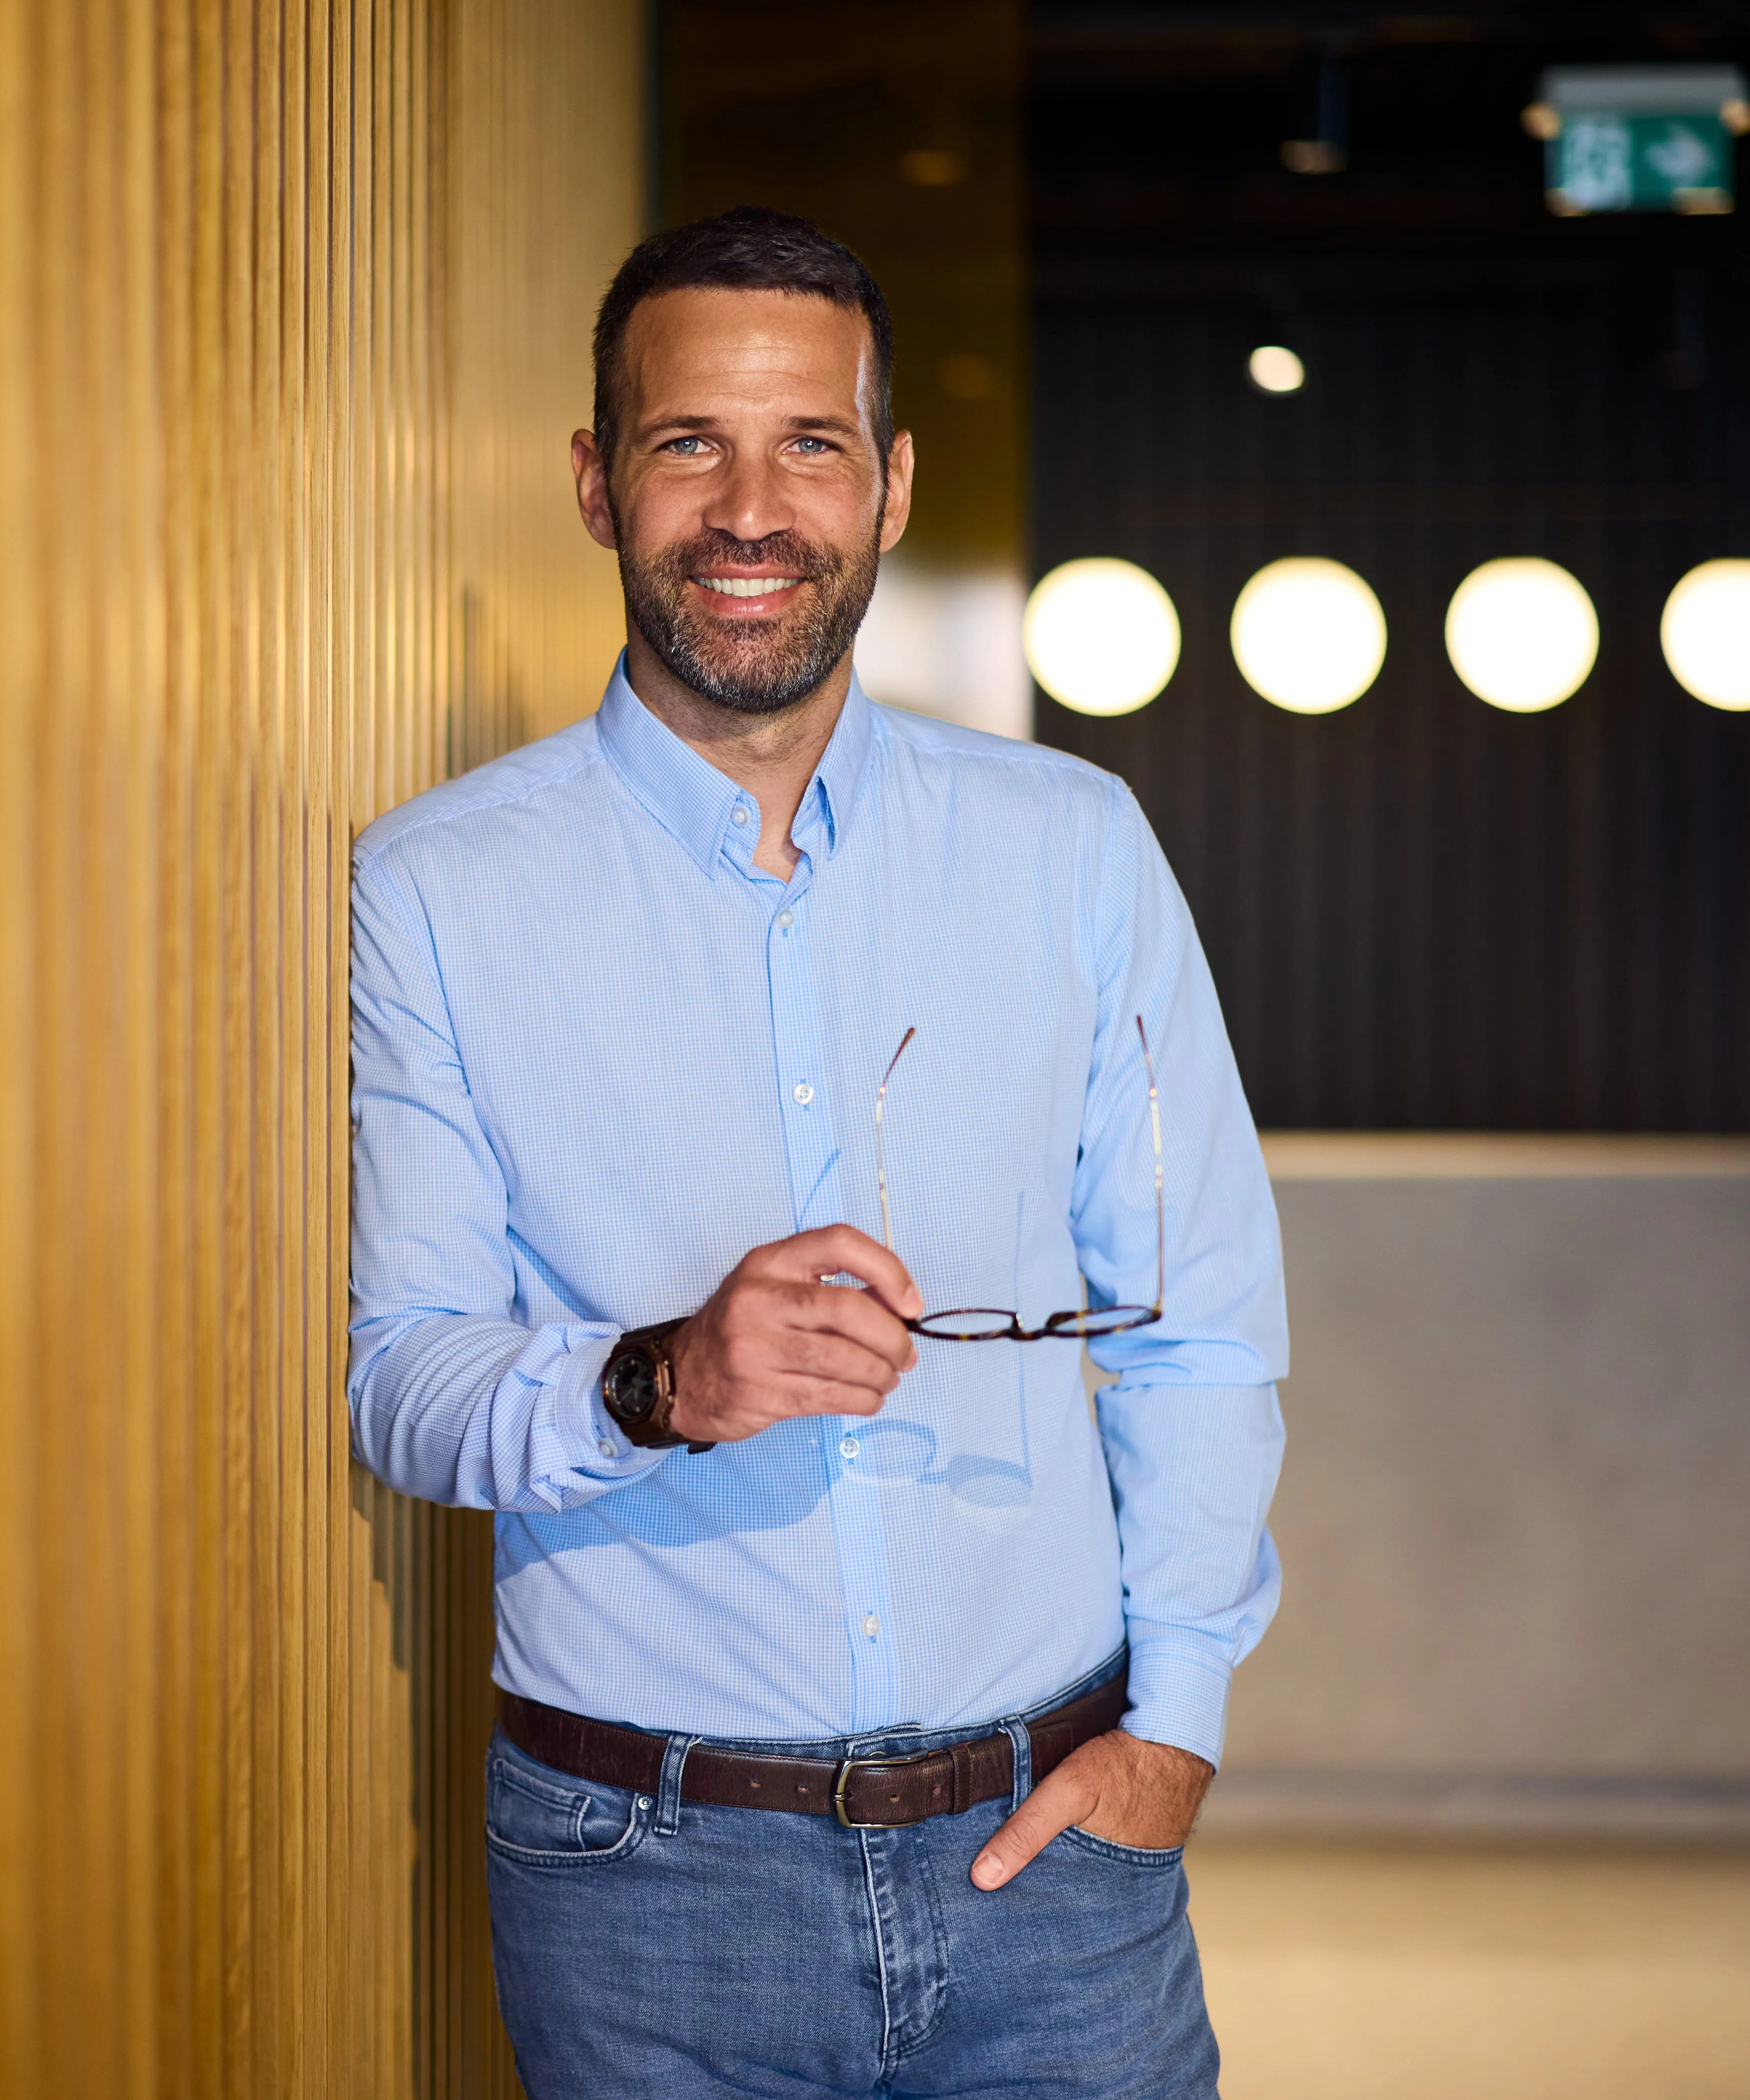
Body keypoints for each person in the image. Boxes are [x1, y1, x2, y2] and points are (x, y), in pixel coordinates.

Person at [345, 206, 1286, 2098]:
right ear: (601, 485)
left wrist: (1174, 1726)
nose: (752, 508)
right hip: (643, 1888)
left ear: (893, 483)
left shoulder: (1071, 847)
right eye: (691, 443)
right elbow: (403, 1377)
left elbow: (1198, 1321)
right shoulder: (438, 887)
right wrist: (659, 1380)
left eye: (812, 446)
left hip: (1058, 1865)